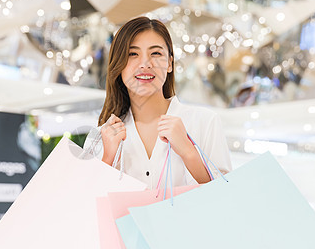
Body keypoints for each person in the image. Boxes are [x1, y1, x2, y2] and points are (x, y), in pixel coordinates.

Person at [83, 16, 231, 189]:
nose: (145, 64)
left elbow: (226, 196)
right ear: (119, 64)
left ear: (169, 63)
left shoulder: (205, 122)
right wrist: (108, 157)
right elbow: (89, 207)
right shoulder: (101, 137)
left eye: (156, 53)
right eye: (133, 54)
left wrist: (188, 152)